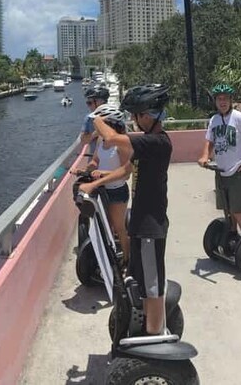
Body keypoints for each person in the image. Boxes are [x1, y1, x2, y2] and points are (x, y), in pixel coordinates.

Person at [89, 83, 172, 336]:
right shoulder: (146, 144)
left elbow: (112, 138)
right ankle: (149, 324)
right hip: (139, 221)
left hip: (150, 225)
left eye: (136, 115)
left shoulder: (156, 141)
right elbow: (126, 170)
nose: (135, 121)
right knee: (144, 281)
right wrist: (98, 179)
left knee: (153, 287)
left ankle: (154, 337)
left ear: (148, 115)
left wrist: (96, 118)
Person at [198, 83, 241, 237]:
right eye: (219, 99)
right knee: (227, 208)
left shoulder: (240, 118)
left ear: (230, 100)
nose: (222, 102)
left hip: (238, 171)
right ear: (215, 101)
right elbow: (210, 141)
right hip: (221, 171)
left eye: (225, 99)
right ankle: (233, 236)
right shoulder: (214, 119)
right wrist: (205, 156)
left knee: (238, 210)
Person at [77, 105, 134, 265]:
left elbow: (125, 172)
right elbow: (96, 160)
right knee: (105, 226)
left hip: (117, 191)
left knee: (118, 227)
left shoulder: (122, 143)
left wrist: (102, 174)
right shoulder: (102, 140)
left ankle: (127, 260)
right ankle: (107, 258)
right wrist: (86, 169)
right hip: (102, 190)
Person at [80, 86, 110, 156]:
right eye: (87, 103)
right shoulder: (88, 118)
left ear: (101, 102)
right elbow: (83, 140)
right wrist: (96, 133)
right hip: (94, 160)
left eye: (90, 103)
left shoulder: (115, 117)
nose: (88, 106)